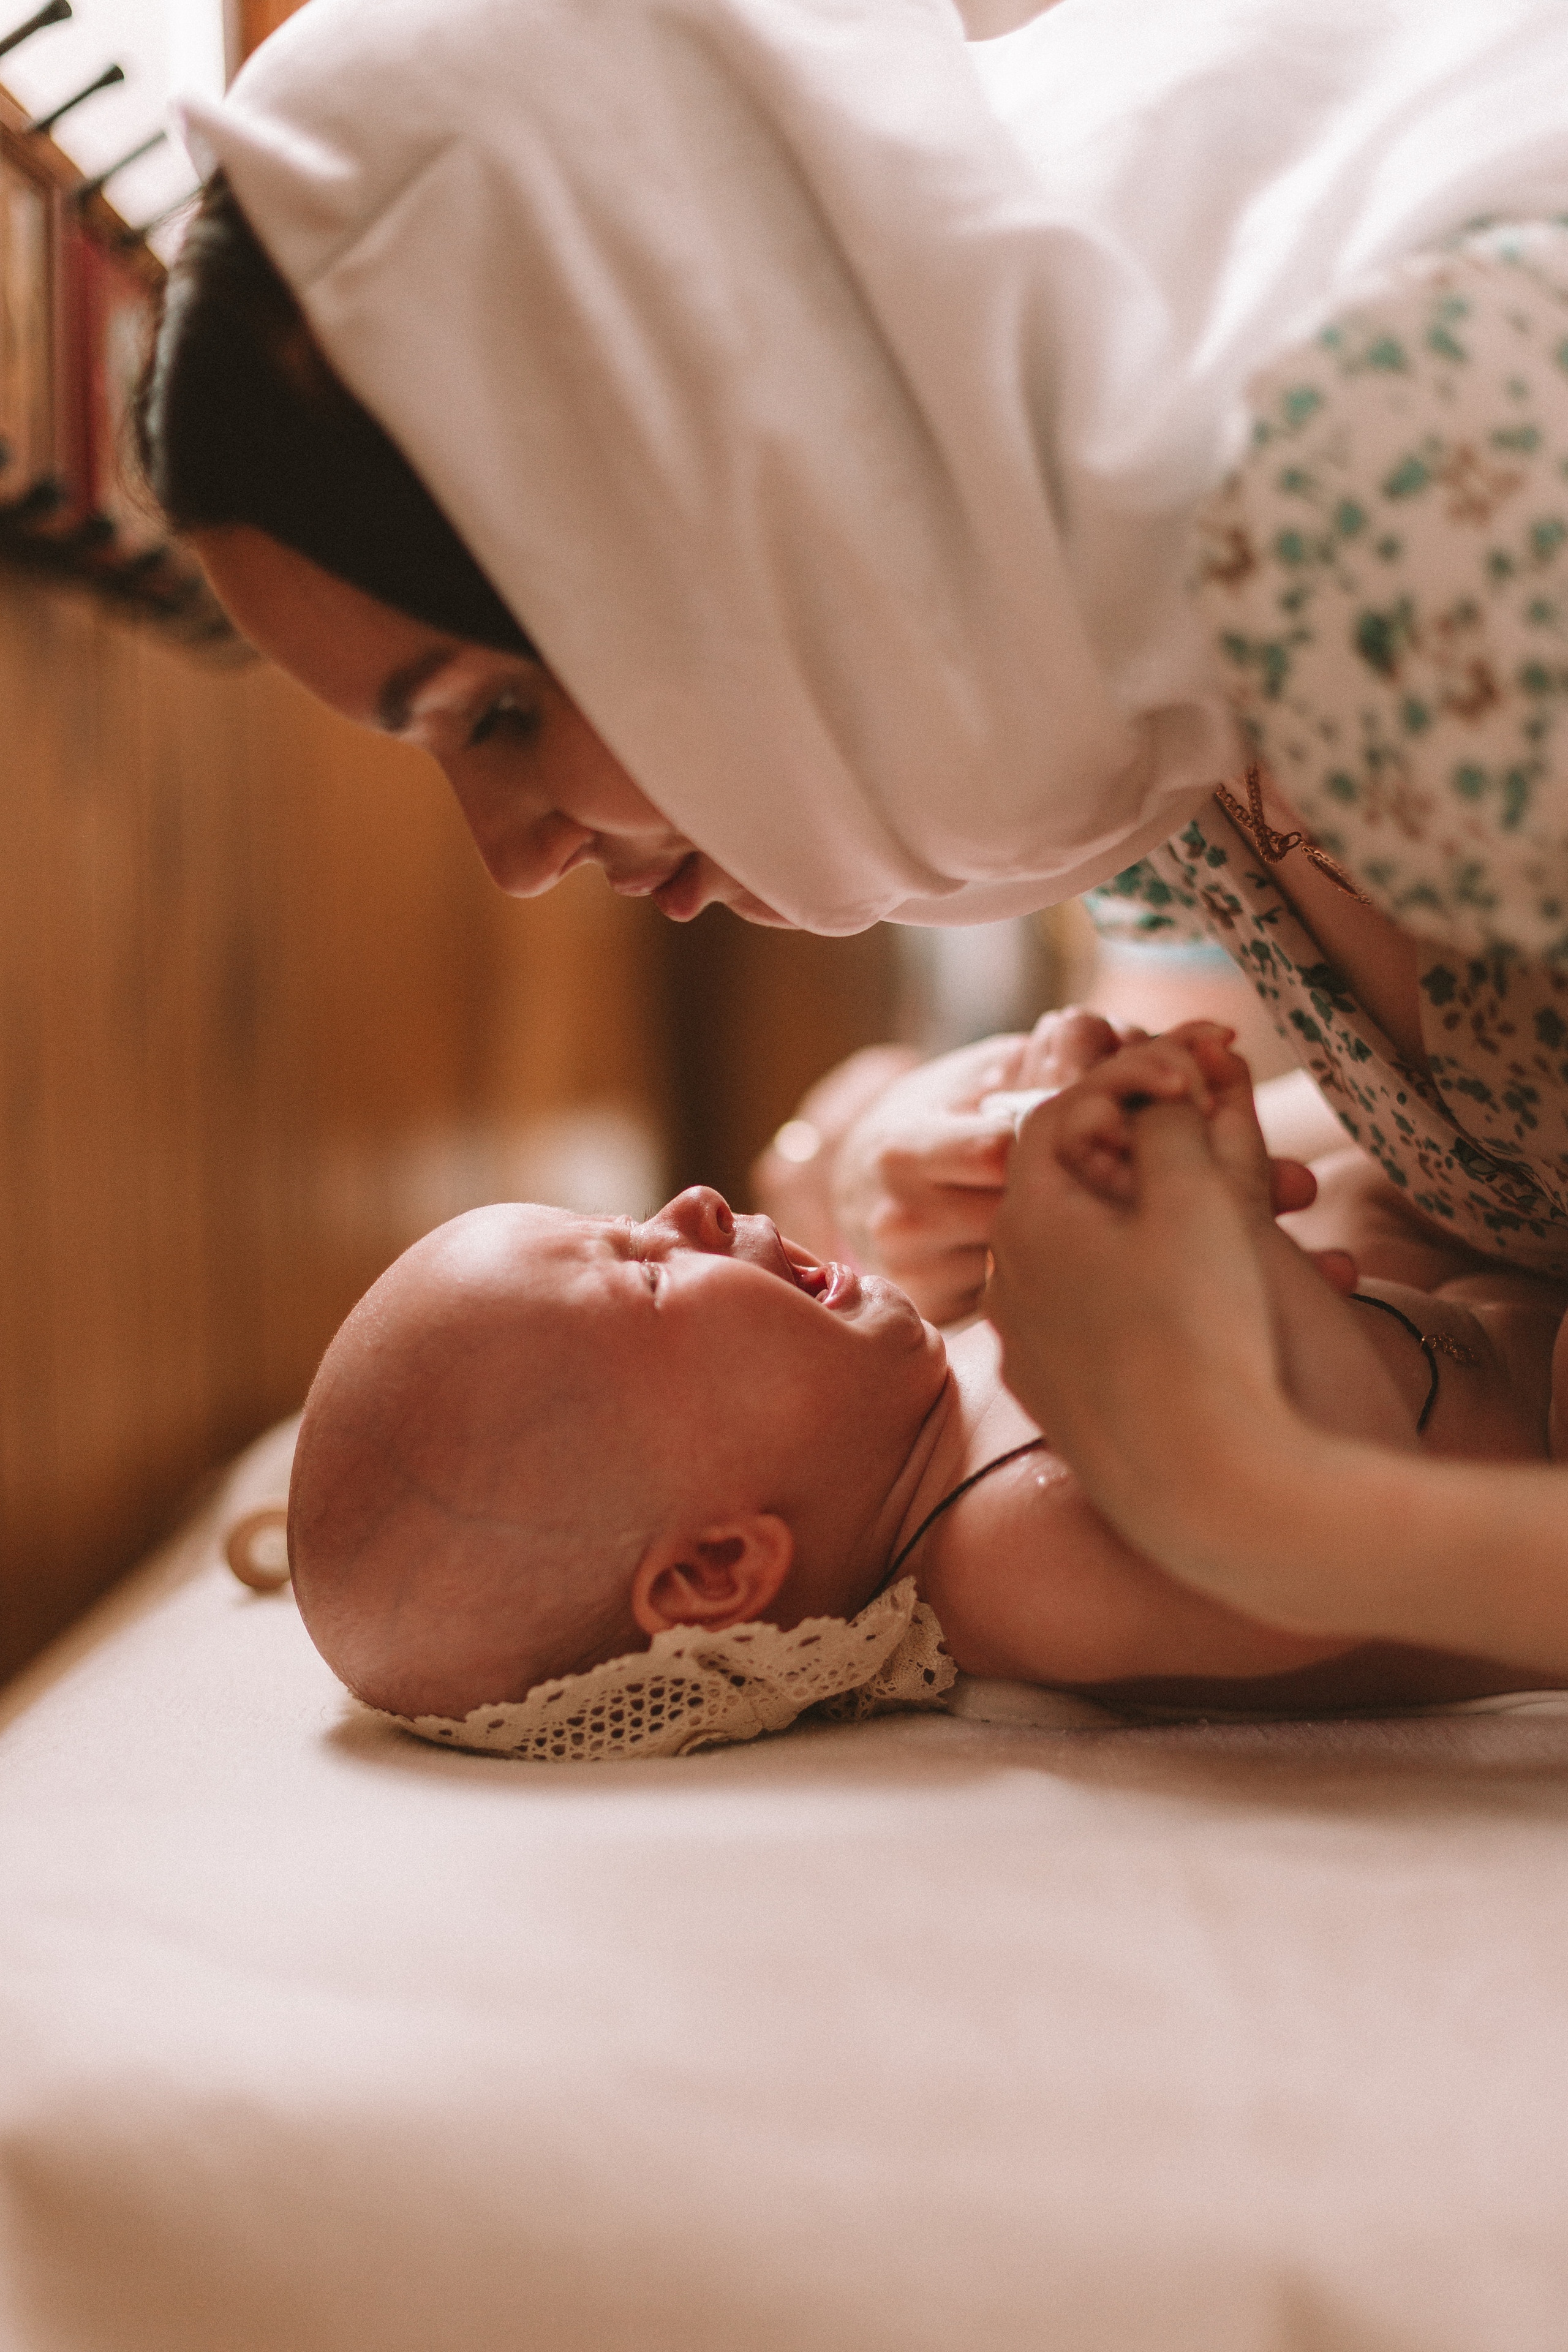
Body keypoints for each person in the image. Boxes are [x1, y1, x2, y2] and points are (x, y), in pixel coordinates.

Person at [287, 1023, 1567, 1755]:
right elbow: (1309, 1557)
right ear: (719, 1571)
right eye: (645, 1277)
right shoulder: (1011, 1559)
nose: (687, 1205)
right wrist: (1210, 1234)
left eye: (630, 1213)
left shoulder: (931, 1396)